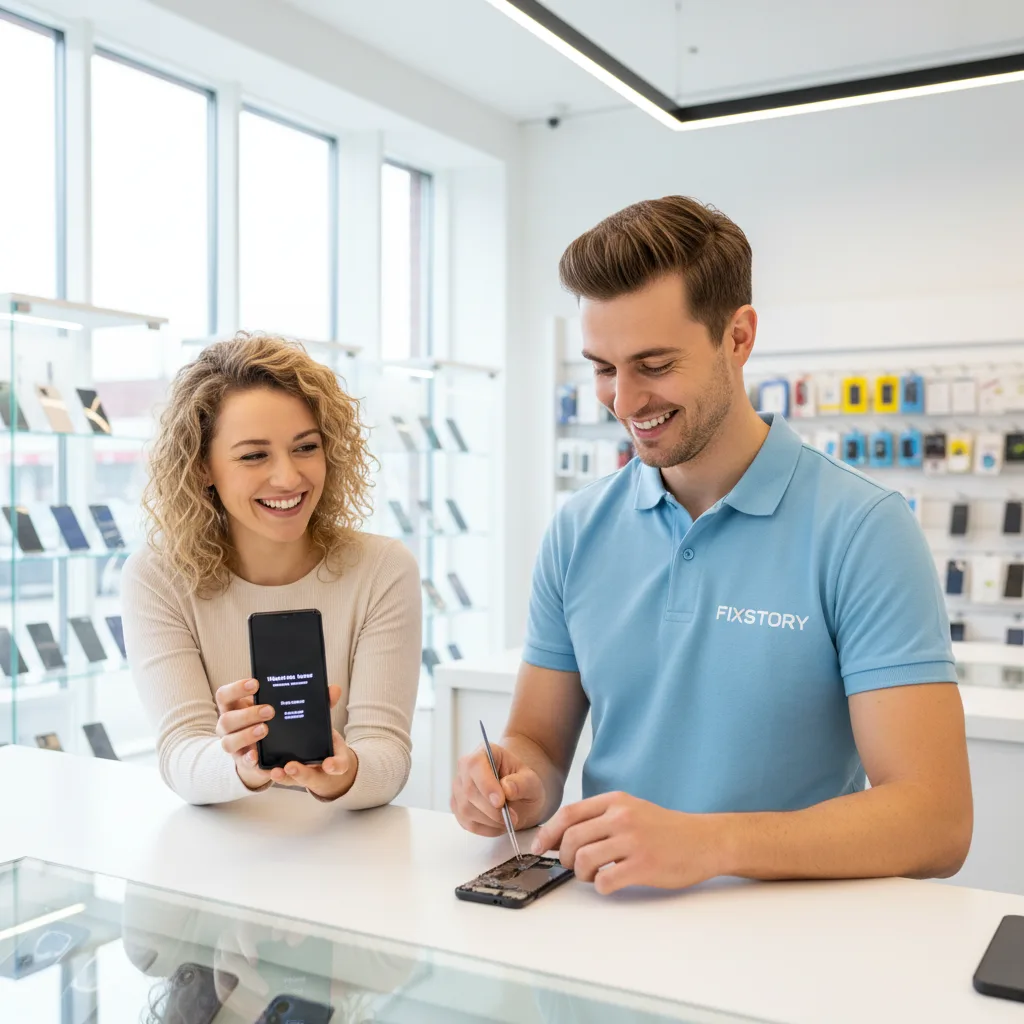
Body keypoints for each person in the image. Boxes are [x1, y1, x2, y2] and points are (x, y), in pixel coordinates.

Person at [452, 196, 973, 894]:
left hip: (786, 954)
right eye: (603, 367)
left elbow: (935, 822)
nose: (625, 400)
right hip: (609, 931)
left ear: (738, 336)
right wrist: (509, 782)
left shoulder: (864, 529)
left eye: (655, 364)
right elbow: (539, 747)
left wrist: (710, 843)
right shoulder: (577, 529)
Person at [122, 333, 421, 806]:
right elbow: (180, 754)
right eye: (254, 455)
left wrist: (343, 770)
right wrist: (243, 762)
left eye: (306, 447)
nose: (288, 477)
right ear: (203, 467)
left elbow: (388, 753)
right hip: (220, 856)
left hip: (348, 855)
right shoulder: (158, 577)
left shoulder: (382, 569)